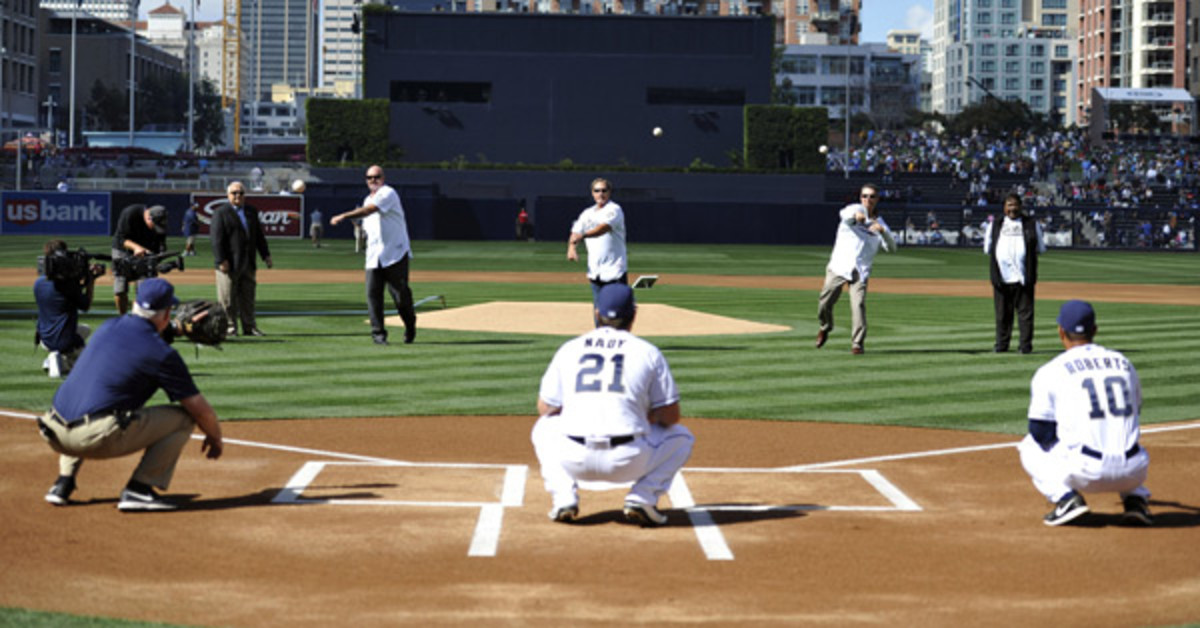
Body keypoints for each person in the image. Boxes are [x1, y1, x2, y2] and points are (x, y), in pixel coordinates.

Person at [37, 278, 225, 511]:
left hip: (52, 431)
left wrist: (176, 328)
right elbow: (199, 409)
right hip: (92, 438)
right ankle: (139, 489)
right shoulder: (162, 355)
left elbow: (142, 334)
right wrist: (215, 436)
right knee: (184, 417)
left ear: (135, 303)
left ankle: (63, 483)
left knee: (88, 397)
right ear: (167, 314)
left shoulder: (108, 327)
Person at [531, 283, 694, 527]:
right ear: (634, 314)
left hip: (573, 457)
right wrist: (645, 414)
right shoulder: (648, 351)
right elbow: (672, 417)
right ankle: (643, 497)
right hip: (628, 460)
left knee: (543, 427)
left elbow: (546, 408)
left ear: (597, 312)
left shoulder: (570, 348)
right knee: (682, 437)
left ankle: (563, 496)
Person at [1018, 300, 1152, 527]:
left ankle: (1066, 499)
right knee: (1118, 433)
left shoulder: (1051, 369)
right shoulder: (1124, 363)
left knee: (1029, 445)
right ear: (1095, 330)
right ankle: (1136, 500)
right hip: (1134, 470)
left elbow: (1040, 431)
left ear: (1060, 331)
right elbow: (1135, 411)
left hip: (1085, 472)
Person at [330, 165, 417, 345]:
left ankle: (410, 325)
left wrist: (344, 215)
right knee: (373, 295)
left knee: (401, 298)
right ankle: (378, 335)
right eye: (369, 178)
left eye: (376, 177)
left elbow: (370, 210)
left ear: (383, 178)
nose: (373, 180)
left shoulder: (388, 193)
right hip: (373, 256)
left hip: (395, 253)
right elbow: (369, 224)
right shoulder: (366, 199)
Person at [815, 183, 896, 354]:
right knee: (824, 303)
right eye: (864, 196)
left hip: (861, 271)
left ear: (878, 199)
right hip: (839, 266)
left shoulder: (879, 224)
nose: (868, 200)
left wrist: (883, 232)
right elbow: (844, 214)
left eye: (872, 196)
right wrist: (856, 216)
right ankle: (825, 326)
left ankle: (857, 343)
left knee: (858, 304)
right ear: (860, 198)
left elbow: (892, 248)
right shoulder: (855, 208)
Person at [983, 193, 1046, 354]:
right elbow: (987, 248)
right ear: (1004, 207)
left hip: (1024, 277)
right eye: (1009, 205)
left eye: (1015, 205)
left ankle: (1025, 346)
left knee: (1025, 315)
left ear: (1021, 206)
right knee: (1002, 315)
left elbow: (1040, 248)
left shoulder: (1031, 223)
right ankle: (1001, 345)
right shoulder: (996, 224)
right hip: (1001, 277)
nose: (1012, 208)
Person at [210, 181, 273, 337]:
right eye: (234, 193)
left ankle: (249, 327)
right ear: (228, 195)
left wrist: (265, 255)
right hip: (229, 263)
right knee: (227, 299)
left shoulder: (251, 211)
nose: (238, 196)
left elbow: (258, 236)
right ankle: (230, 328)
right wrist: (221, 260)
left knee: (248, 297)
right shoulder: (221, 212)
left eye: (241, 193)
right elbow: (216, 239)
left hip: (248, 262)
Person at [34, 240, 100, 378]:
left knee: (85, 329)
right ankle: (57, 359)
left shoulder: (38, 283)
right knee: (88, 365)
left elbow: (62, 296)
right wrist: (91, 280)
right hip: (65, 340)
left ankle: (54, 358)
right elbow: (85, 305)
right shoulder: (68, 286)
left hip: (44, 339)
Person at [567, 178, 627, 304]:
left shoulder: (614, 209)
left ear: (609, 192)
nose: (601, 194)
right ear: (592, 193)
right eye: (597, 190)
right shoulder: (587, 213)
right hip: (595, 271)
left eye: (604, 190)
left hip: (614, 270)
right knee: (599, 311)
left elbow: (603, 228)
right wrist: (571, 248)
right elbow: (575, 232)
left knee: (616, 310)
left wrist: (583, 235)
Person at [111, 203, 169, 314]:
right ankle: (122, 317)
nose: (155, 229)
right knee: (120, 289)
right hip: (123, 250)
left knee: (143, 290)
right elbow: (121, 239)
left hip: (146, 253)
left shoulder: (160, 225)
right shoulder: (130, 213)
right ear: (148, 218)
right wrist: (137, 248)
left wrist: (158, 261)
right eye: (154, 225)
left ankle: (137, 318)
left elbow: (160, 246)